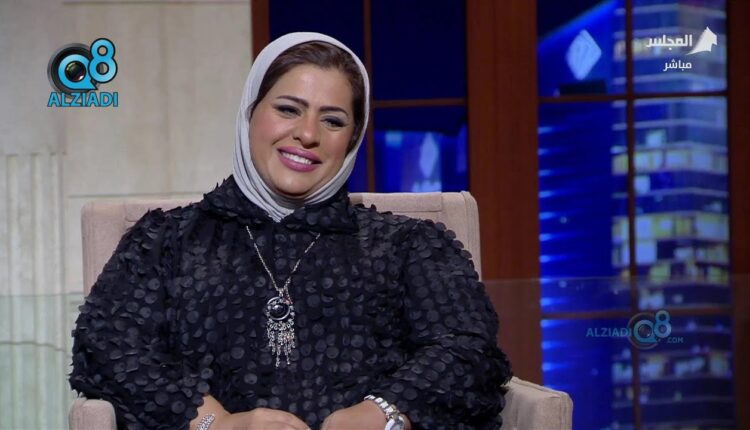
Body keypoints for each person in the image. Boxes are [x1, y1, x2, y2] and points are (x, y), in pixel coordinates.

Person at [69, 32, 512, 430]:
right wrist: (214, 423)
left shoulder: (410, 245)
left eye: (332, 120)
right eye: (288, 109)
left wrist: (382, 413)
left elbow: (468, 348)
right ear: (250, 113)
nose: (307, 134)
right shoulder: (164, 241)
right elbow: (108, 344)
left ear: (352, 138)